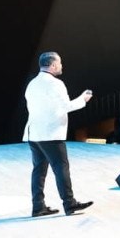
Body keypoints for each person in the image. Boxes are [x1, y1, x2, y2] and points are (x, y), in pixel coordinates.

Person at [22, 51, 94, 217]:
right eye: (60, 63)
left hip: (34, 133)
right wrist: (83, 99)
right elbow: (65, 106)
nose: (62, 66)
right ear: (53, 65)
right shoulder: (56, 84)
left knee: (39, 171)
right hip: (50, 134)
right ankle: (69, 204)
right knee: (61, 168)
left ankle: (38, 206)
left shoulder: (32, 83)